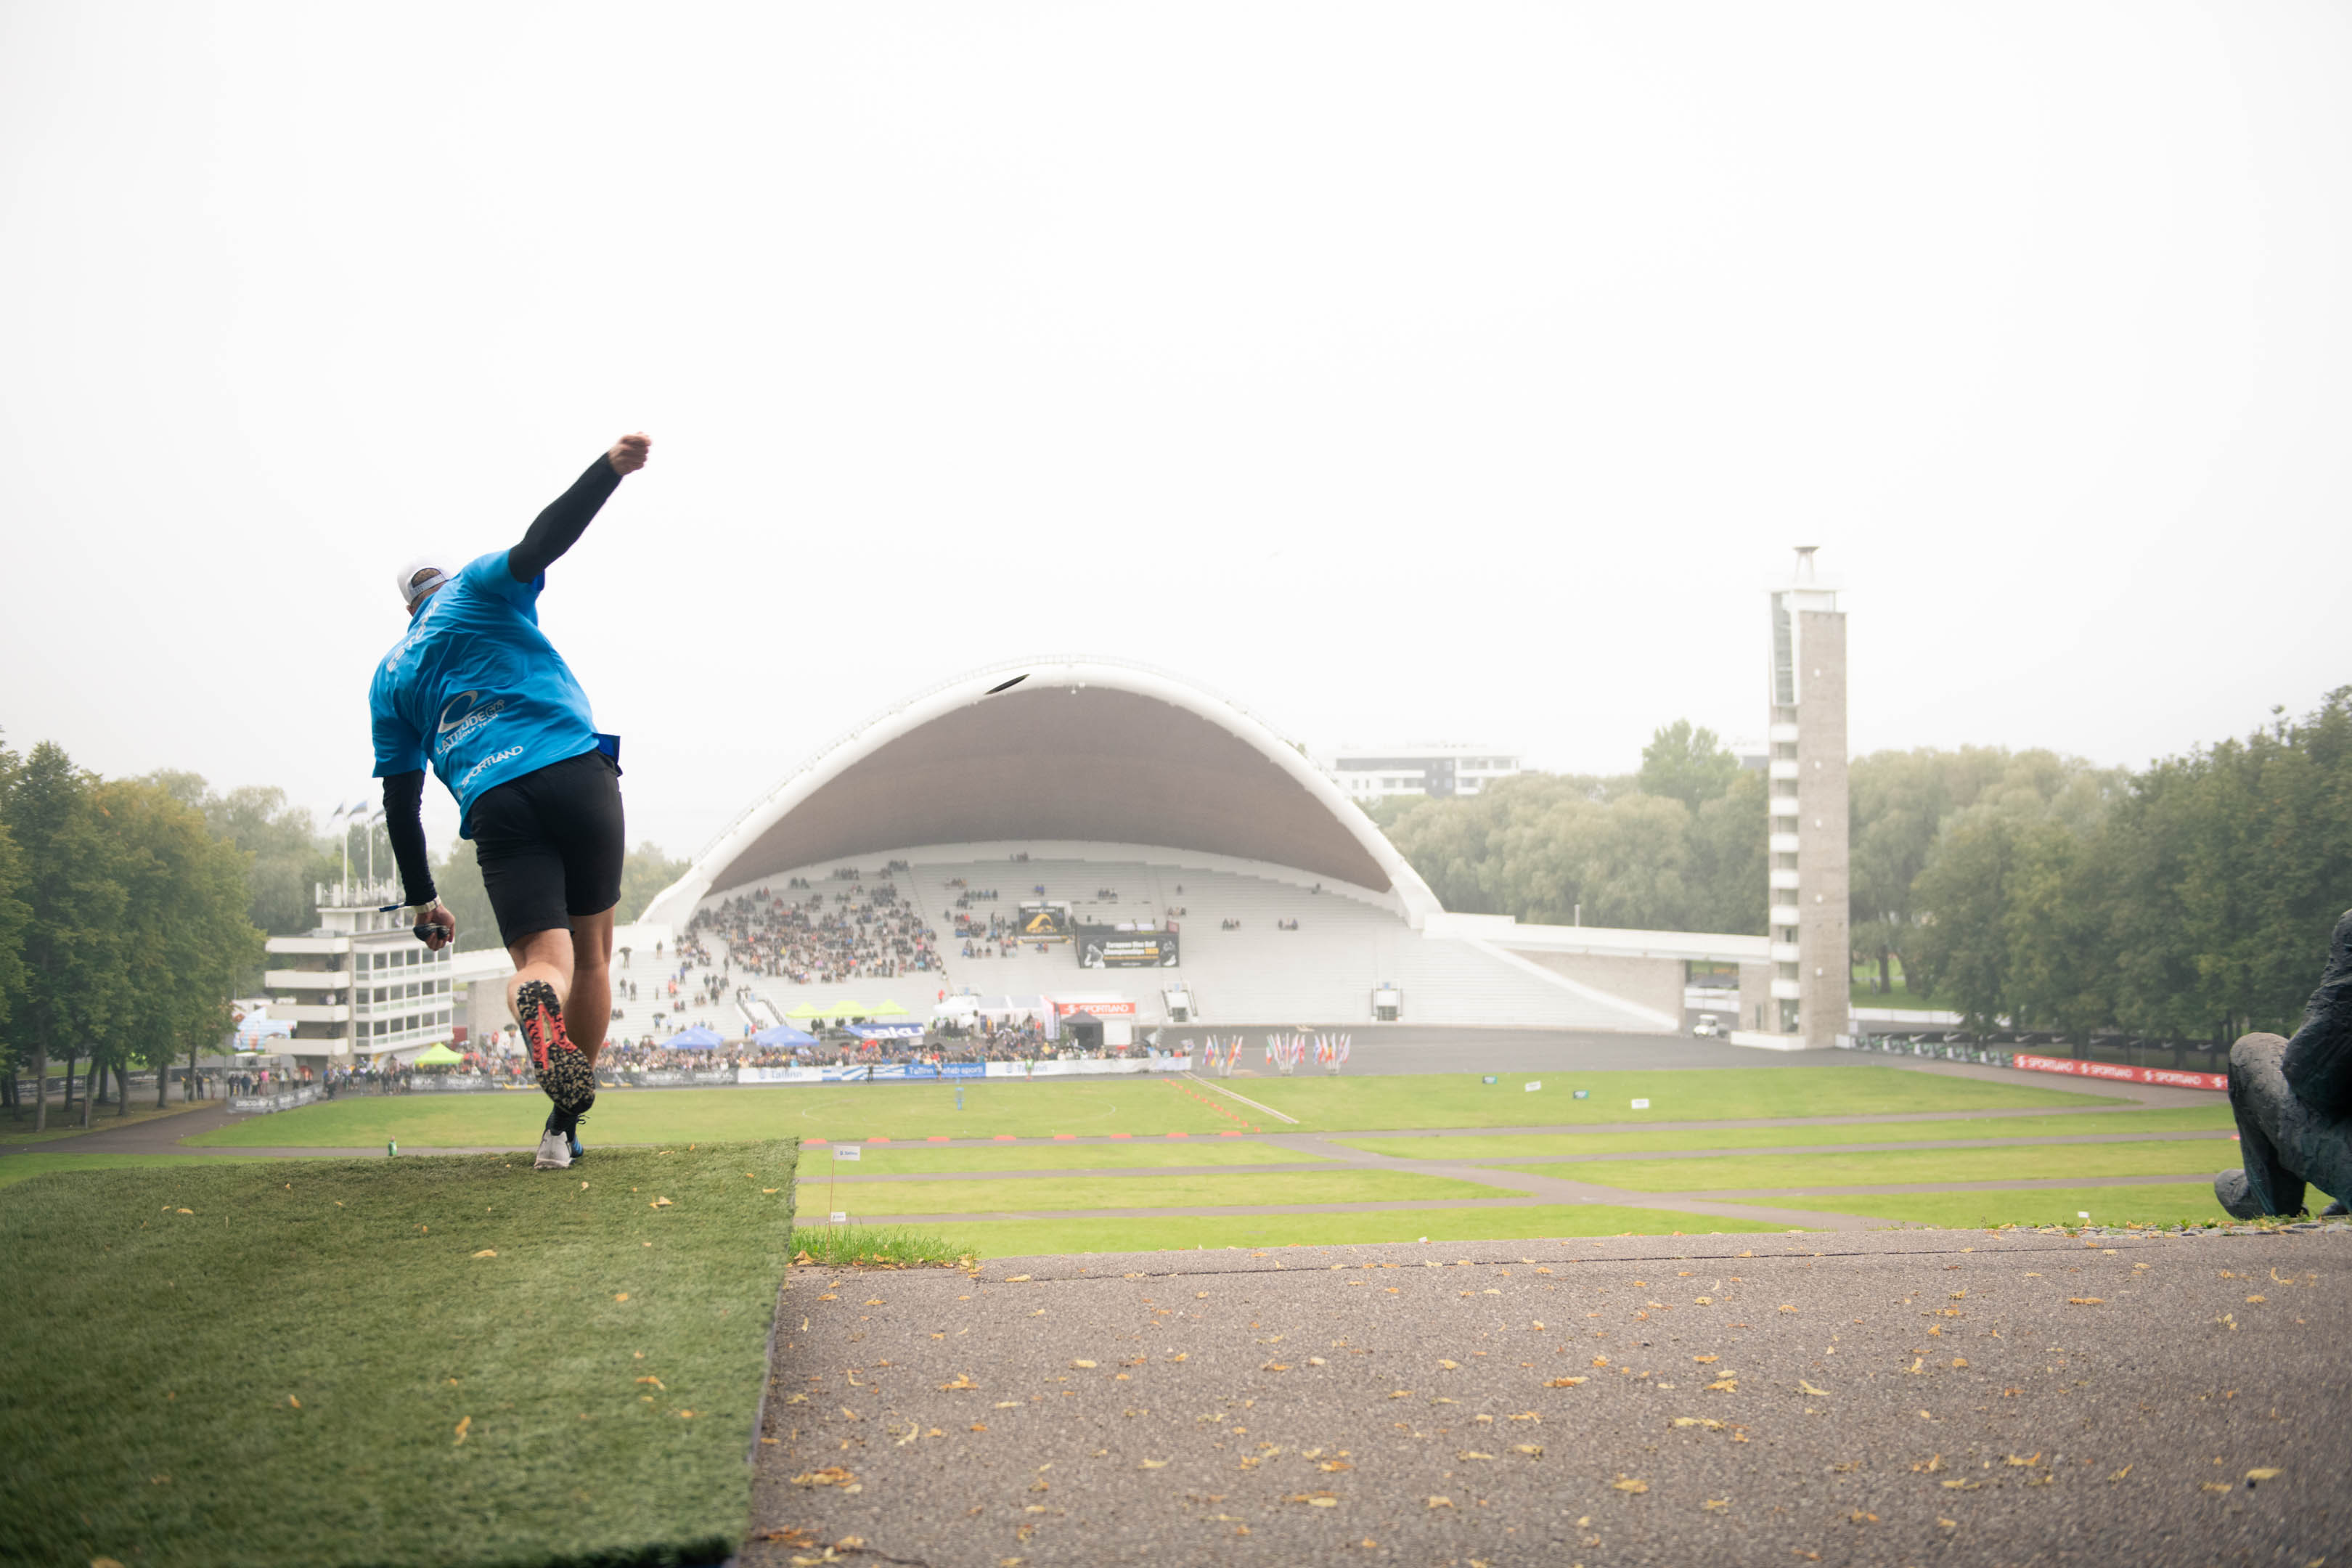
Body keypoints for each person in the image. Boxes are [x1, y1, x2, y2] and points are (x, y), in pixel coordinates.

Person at [368, 432, 652, 1170]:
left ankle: (533, 1001)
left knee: (543, 961)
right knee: (592, 957)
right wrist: (607, 471)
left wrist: (426, 900)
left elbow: (402, 804)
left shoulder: (390, 677)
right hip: (574, 770)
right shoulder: (478, 587)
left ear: (407, 608)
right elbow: (540, 544)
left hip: (495, 803)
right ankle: (562, 1129)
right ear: (446, 581)